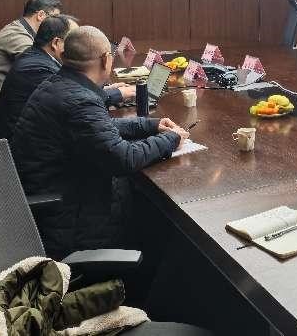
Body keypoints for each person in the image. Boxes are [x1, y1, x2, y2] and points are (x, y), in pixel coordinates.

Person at [11, 26, 189, 259]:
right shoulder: (79, 100)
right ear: (106, 60)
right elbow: (123, 158)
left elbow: (99, 128)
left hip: (55, 196)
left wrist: (150, 125)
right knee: (162, 223)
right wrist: (171, 139)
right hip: (69, 218)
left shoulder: (57, 84)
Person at [0, 15, 135, 140]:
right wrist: (116, 94)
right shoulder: (37, 69)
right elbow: (73, 101)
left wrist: (105, 89)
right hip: (19, 149)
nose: (79, 44)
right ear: (56, 43)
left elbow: (74, 94)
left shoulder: (40, 58)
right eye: (73, 40)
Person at [0, 0, 63, 101]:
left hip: (5, 96)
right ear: (40, 15)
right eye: (55, 18)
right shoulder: (17, 36)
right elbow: (40, 64)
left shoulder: (20, 28)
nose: (57, 24)